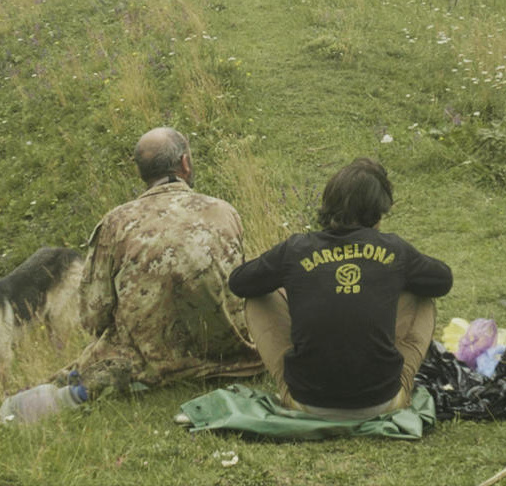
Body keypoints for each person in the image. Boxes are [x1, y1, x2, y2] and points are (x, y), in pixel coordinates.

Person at [229, 157, 452, 420]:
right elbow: (442, 280)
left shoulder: (296, 249)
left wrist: (296, 286)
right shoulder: (394, 249)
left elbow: (240, 283)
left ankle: (299, 382)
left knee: (257, 299)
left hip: (306, 402)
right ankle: (394, 380)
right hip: (383, 402)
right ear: (377, 212)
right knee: (423, 294)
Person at [67, 127, 262, 394]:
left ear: (142, 172)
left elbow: (93, 316)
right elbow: (239, 289)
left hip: (149, 368)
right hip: (230, 360)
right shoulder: (224, 211)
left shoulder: (116, 223)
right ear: (184, 163)